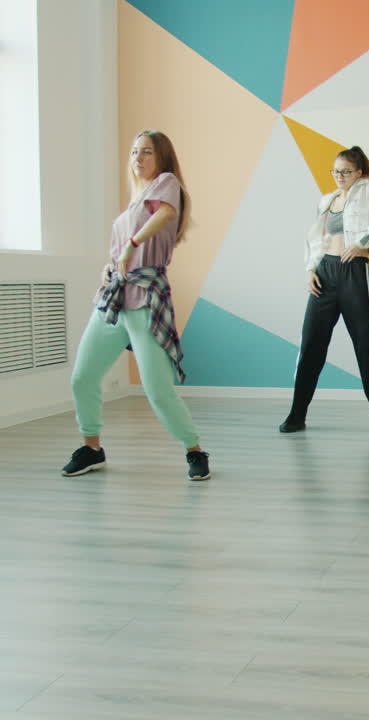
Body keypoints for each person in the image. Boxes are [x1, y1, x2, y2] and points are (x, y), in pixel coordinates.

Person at [61, 130, 210, 481]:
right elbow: (123, 251)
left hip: (146, 295)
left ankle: (195, 450)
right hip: (115, 294)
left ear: (161, 158)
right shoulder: (136, 198)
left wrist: (130, 244)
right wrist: (111, 263)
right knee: (83, 377)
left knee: (157, 388)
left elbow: (166, 214)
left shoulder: (166, 183)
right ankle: (91, 448)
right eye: (134, 153)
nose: (138, 159)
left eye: (146, 152)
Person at [279, 146, 369, 435]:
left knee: (367, 346)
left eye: (345, 171)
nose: (339, 176)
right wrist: (310, 269)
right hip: (325, 273)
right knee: (310, 345)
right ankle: (297, 415)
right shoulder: (328, 200)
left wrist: (363, 242)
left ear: (359, 172)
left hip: (353, 272)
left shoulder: (368, 189)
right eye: (336, 171)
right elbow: (316, 237)